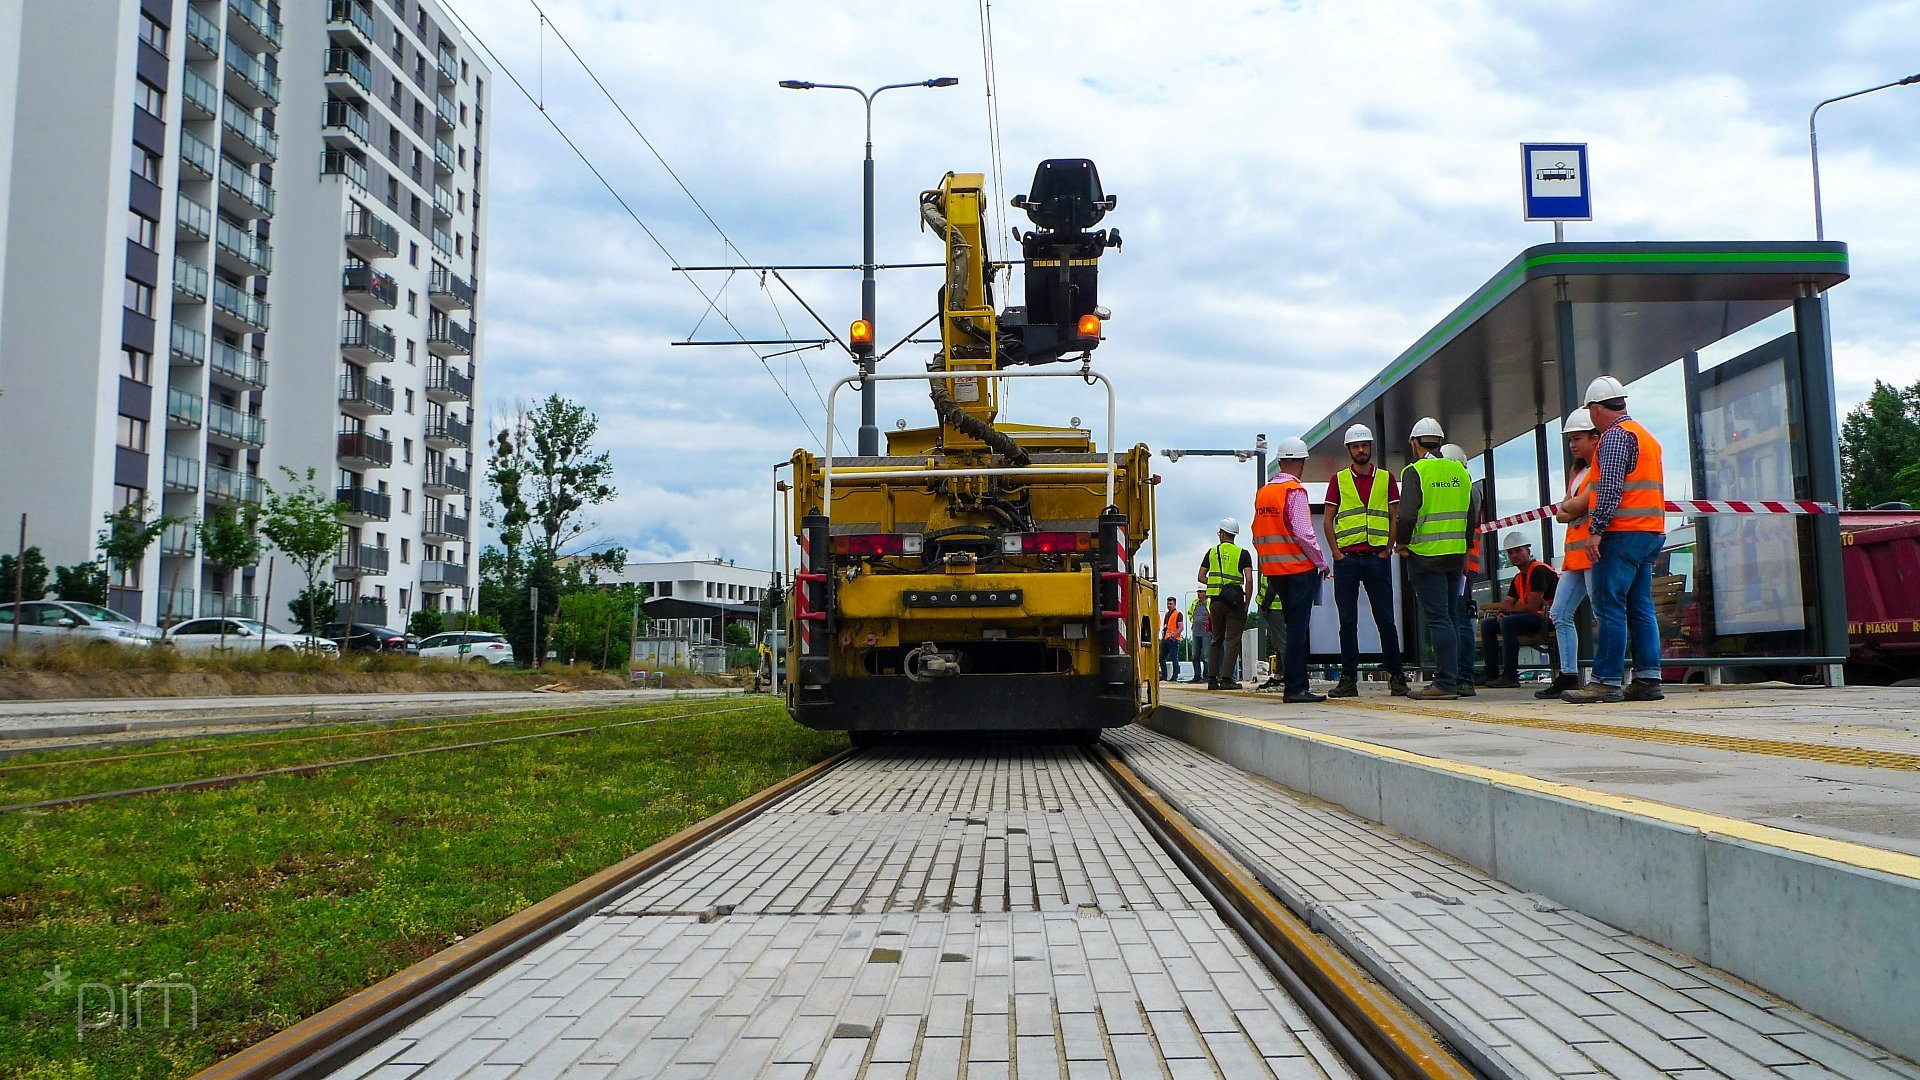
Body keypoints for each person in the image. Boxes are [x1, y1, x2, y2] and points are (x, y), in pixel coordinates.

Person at [1564, 376, 1666, 704]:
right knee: (1640, 606)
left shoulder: (1614, 438)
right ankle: (1648, 678)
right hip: (1650, 533)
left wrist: (1596, 530)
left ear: (1595, 409)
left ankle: (1606, 680)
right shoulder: (1646, 437)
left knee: (1609, 607)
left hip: (1622, 532)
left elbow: (1608, 488)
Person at [1324, 424, 1409, 698]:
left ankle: (1397, 677)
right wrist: (1337, 553)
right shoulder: (1338, 480)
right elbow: (1328, 520)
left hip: (1376, 558)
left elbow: (1394, 516)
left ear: (1370, 448)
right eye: (1356, 446)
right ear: (1349, 450)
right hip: (1347, 559)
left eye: (1365, 445)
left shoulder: (1386, 478)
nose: (1361, 450)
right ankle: (1348, 679)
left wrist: (1387, 550)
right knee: (1347, 621)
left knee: (1385, 619)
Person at [1396, 418, 1476, 700]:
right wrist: (1466, 548)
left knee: (1438, 619)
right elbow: (1471, 513)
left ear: (1414, 443)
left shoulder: (1416, 471)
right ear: (1440, 442)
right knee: (1451, 617)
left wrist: (1402, 543)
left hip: (1426, 556)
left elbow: (1406, 514)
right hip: (1454, 555)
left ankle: (1444, 683)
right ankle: (1454, 680)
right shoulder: (1459, 471)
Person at [1255, 438, 1332, 702]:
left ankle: (1293, 684)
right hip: (1298, 569)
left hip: (1275, 572)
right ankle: (1296, 688)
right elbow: (1304, 533)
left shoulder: (1264, 493)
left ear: (1279, 461)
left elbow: (1257, 534)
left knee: (1291, 626)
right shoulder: (1294, 491)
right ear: (1301, 462)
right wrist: (1322, 562)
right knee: (1299, 630)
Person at [1537, 410, 1598, 698]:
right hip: (1576, 557)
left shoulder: (1599, 468)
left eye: (1577, 438)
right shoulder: (1578, 473)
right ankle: (1569, 674)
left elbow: (1570, 509)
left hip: (1593, 552)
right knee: (1559, 613)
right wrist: (1572, 507)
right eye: (1570, 439)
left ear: (1593, 438)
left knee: (1603, 613)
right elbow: (1565, 511)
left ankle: (1606, 676)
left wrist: (1572, 507)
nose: (1572, 444)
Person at [1479, 530, 1558, 687]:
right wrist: (1502, 612)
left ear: (1528, 551)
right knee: (1488, 625)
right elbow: (1507, 603)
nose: (1514, 555)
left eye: (1518, 551)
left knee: (1508, 622)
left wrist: (1509, 611)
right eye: (1510, 553)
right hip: (1531, 618)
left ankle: (1510, 675)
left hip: (1549, 618)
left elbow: (1532, 606)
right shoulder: (1518, 578)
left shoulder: (1538, 571)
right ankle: (1491, 674)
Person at [1440, 443, 1482, 697]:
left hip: (1459, 565)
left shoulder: (1463, 488)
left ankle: (1461, 676)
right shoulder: (1471, 488)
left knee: (1459, 621)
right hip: (1464, 564)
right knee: (1459, 620)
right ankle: (1461, 675)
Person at [1197, 517, 1254, 690]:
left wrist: (1215, 585)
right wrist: (1247, 601)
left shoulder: (1211, 552)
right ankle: (1227, 679)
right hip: (1235, 601)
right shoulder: (1243, 553)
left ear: (1222, 534)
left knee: (1216, 639)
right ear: (1234, 535)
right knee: (1233, 639)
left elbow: (1200, 576)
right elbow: (1249, 580)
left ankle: (1212, 680)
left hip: (1215, 601)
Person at [1186, 592, 1210, 683]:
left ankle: (1206, 676)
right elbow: (1190, 614)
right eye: (1198, 592)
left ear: (1205, 593)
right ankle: (1197, 676)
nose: (1198, 594)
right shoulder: (1195, 603)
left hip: (1206, 634)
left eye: (1200, 592)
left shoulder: (1209, 603)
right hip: (1196, 633)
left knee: (1206, 656)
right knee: (1195, 656)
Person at [1159, 596, 1184, 681]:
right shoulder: (1166, 614)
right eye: (1168, 604)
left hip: (1173, 639)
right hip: (1166, 639)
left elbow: (1181, 627)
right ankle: (1164, 676)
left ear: (1175, 604)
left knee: (1174, 658)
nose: (1169, 605)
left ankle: (1175, 677)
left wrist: (1173, 636)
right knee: (1161, 657)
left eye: (1171, 604)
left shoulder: (1178, 614)